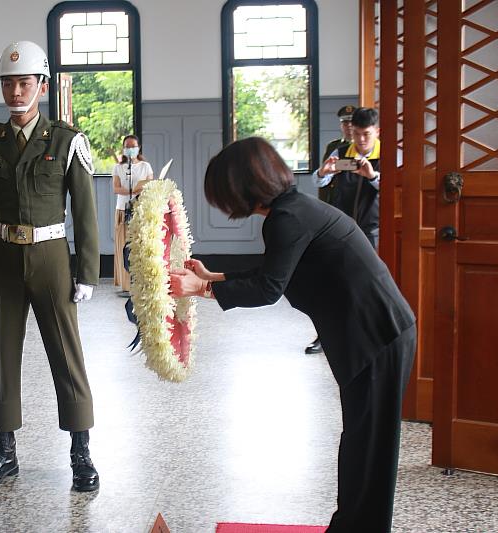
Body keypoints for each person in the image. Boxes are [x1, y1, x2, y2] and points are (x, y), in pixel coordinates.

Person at [170, 137, 416, 532]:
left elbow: (268, 289)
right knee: (361, 444)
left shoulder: (287, 218)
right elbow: (276, 274)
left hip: (377, 334)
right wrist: (211, 276)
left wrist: (200, 289)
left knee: (370, 449)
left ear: (241, 186)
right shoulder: (293, 209)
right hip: (374, 332)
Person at [0, 40, 101, 493]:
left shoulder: (66, 141)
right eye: (8, 83)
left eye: (24, 82)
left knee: (66, 354)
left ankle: (80, 453)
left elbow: (85, 212)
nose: (15, 91)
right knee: (1, 355)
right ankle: (5, 453)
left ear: (41, 86)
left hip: (50, 258)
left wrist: (86, 272)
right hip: (4, 256)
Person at [305, 104, 356, 355]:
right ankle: (324, 334)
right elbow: (319, 179)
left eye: (352, 123)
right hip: (332, 220)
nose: (348, 126)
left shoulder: (370, 151)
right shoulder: (334, 147)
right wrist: (325, 172)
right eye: (344, 123)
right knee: (326, 280)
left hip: (360, 223)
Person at [312, 107, 381, 249]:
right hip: (342, 224)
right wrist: (322, 173)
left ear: (377, 132)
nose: (361, 140)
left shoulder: (387, 154)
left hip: (374, 228)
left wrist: (372, 176)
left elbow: (395, 190)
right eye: (356, 133)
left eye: (366, 134)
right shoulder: (341, 152)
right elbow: (319, 181)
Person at [112, 134, 153, 293]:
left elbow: (150, 185)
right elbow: (116, 188)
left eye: (133, 146)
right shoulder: (118, 167)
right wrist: (131, 190)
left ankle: (142, 283)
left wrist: (139, 190)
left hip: (140, 209)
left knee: (140, 246)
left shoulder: (145, 166)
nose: (130, 149)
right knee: (123, 246)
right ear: (123, 149)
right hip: (123, 209)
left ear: (139, 147)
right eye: (127, 147)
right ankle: (126, 285)